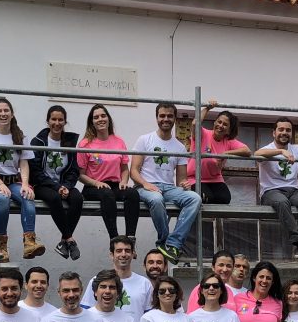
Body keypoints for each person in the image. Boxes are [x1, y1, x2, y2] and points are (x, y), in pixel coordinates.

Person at [130, 102, 203, 264]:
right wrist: (146, 184)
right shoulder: (144, 140)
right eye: (162, 115)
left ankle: (173, 243)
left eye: (170, 116)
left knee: (194, 198)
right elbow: (133, 171)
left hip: (169, 188)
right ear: (156, 118)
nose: (166, 119)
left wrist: (185, 185)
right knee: (156, 199)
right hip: (144, 186)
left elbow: (181, 180)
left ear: (175, 118)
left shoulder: (179, 147)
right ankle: (163, 241)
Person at [0, 96, 45, 261]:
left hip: (12, 180)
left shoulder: (20, 135)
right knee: (3, 198)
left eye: (6, 110)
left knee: (27, 197)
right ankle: (1, 244)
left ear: (12, 114)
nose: (3, 114)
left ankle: (29, 242)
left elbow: (23, 163)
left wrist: (26, 184)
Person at [254, 117, 298, 260]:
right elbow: (257, 154)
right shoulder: (268, 148)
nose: (284, 132)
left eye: (288, 130)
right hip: (271, 191)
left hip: (292, 190)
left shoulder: (297, 149)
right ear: (274, 133)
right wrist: (280, 151)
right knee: (281, 202)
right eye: (281, 129)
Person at [77, 103, 140, 241]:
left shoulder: (119, 142)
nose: (100, 119)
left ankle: (131, 238)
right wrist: (96, 183)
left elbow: (124, 168)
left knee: (133, 194)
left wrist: (124, 181)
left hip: (114, 185)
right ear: (92, 122)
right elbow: (80, 174)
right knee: (107, 194)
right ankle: (115, 240)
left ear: (108, 119)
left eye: (103, 116)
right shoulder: (85, 144)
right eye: (96, 117)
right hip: (93, 187)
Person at [29, 103, 84, 260]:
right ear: (48, 121)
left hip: (62, 184)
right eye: (53, 119)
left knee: (77, 198)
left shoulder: (70, 142)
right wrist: (56, 187)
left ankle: (63, 240)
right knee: (53, 198)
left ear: (65, 122)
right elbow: (36, 171)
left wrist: (66, 186)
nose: (57, 123)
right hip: (43, 185)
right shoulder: (38, 141)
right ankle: (70, 239)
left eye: (61, 120)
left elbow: (74, 170)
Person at [185, 104, 250, 203]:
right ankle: (199, 217)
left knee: (225, 198)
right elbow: (195, 124)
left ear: (228, 130)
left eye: (225, 124)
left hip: (215, 179)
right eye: (219, 122)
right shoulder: (204, 134)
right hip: (195, 177)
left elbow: (247, 151)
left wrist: (225, 153)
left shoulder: (228, 141)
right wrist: (207, 108)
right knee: (205, 197)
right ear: (214, 122)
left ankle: (209, 217)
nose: (220, 125)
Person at [107, 236, 155, 322]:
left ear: (133, 254)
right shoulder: (98, 282)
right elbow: (89, 313)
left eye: (127, 251)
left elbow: (150, 319)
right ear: (111, 255)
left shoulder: (144, 283)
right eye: (119, 251)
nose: (123, 254)